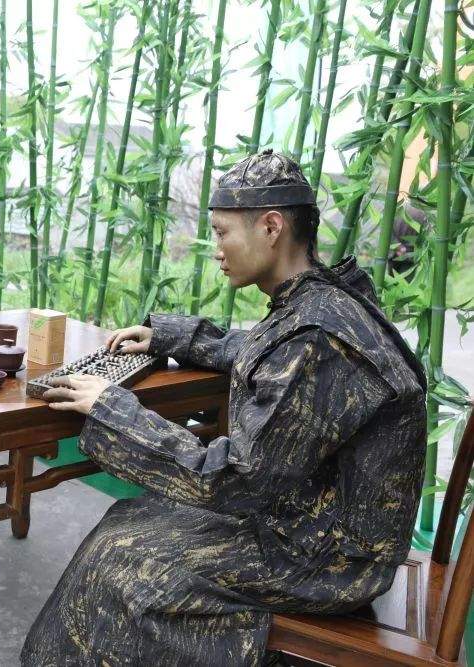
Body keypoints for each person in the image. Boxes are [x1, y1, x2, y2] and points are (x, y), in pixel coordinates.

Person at [21, 149, 427, 666]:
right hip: (307, 519)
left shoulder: (321, 339)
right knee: (129, 520)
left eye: (221, 232)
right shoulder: (318, 304)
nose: (215, 248)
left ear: (271, 226)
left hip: (327, 557)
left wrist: (111, 407)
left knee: (121, 564)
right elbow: (261, 350)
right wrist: (169, 337)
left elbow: (233, 480)